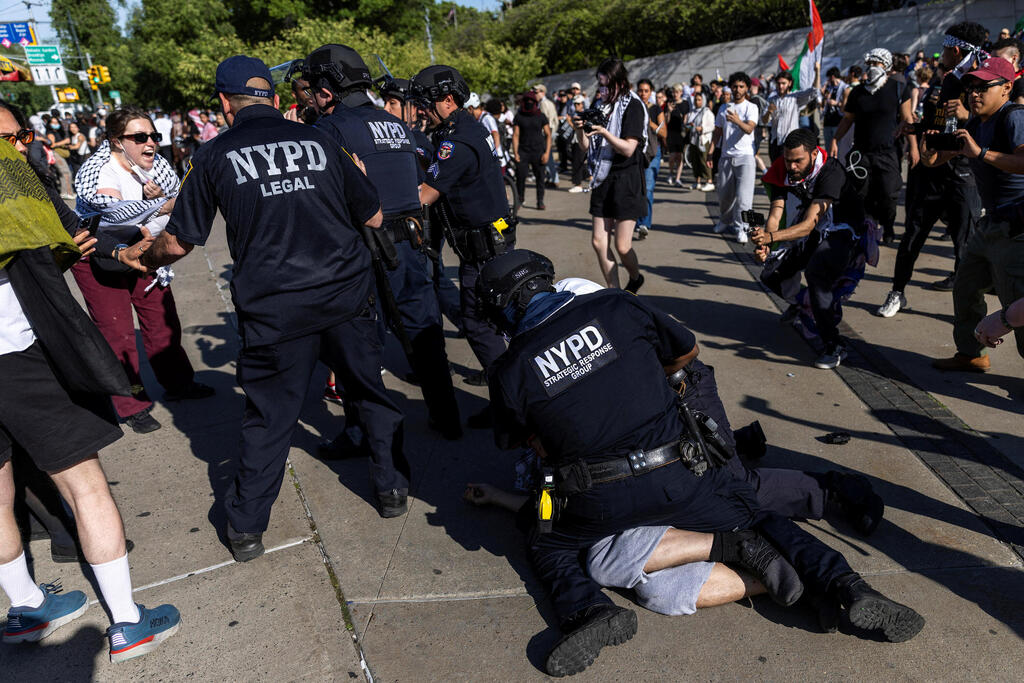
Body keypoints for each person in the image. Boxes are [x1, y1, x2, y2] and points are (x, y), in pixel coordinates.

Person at [479, 250, 924, 676]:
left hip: (600, 499)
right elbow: (686, 354)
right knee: (758, 517)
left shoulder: (510, 368)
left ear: (504, 308)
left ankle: (588, 611)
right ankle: (850, 586)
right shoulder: (616, 305)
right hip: (679, 474)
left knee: (548, 543)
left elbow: (518, 439)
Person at [121, 55, 411, 542]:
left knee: (270, 418)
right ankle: (392, 489)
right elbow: (374, 216)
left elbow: (179, 240)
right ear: (275, 98)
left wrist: (143, 257)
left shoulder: (212, 156)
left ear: (223, 103)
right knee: (370, 394)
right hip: (344, 294)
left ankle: (246, 528)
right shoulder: (322, 138)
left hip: (274, 309)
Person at [0, 126, 180, 661]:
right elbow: (65, 230)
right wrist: (119, 251)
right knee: (86, 486)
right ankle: (127, 623)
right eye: (10, 136)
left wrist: (113, 251)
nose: (17, 147)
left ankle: (26, 606)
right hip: (14, 352)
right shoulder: (10, 179)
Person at [301, 43, 462, 442]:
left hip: (363, 251)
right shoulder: (394, 124)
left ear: (326, 90)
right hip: (411, 244)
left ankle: (366, 436)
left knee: (361, 351)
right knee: (426, 337)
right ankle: (446, 416)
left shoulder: (329, 128)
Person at [72, 106, 213, 434]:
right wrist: (159, 203)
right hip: (98, 254)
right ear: (115, 142)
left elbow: (178, 197)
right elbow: (111, 213)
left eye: (153, 136)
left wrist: (164, 199)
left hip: (143, 247)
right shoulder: (97, 170)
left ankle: (178, 384)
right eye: (139, 137)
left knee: (162, 322)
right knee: (117, 332)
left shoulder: (157, 165)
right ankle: (132, 402)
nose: (150, 143)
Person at [409, 64, 513, 415]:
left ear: (448, 101)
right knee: (494, 323)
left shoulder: (456, 141)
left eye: (425, 103)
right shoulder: (465, 127)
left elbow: (425, 194)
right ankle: (508, 396)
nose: (421, 110)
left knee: (477, 324)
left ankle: (510, 403)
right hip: (489, 243)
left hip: (484, 250)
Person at [876, 22, 988, 317]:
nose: (940, 56)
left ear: (954, 49)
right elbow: (940, 122)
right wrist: (915, 126)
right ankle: (897, 292)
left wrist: (968, 114)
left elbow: (994, 121)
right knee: (912, 234)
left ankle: (966, 309)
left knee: (965, 245)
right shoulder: (950, 81)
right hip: (931, 172)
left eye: (944, 50)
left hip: (964, 174)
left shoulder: (985, 78)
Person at [923, 57, 1024, 372]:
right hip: (991, 223)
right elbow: (936, 160)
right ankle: (972, 353)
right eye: (970, 87)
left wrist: (981, 152)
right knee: (965, 285)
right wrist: (926, 146)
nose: (974, 93)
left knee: (1016, 304)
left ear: (1006, 88)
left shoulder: (1015, 117)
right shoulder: (976, 123)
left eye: (983, 86)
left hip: (1018, 227)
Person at [752, 128, 867, 369]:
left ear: (814, 154)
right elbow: (776, 212)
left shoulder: (831, 171)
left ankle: (834, 345)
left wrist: (771, 237)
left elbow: (807, 225)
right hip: (813, 230)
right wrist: (765, 242)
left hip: (842, 228)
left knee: (817, 272)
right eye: (788, 160)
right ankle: (803, 305)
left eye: (798, 161)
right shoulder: (783, 167)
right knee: (770, 273)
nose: (792, 166)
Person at [573, 58, 648, 292]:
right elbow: (586, 147)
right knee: (598, 241)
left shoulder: (633, 106)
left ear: (620, 83)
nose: (602, 91)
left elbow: (628, 148)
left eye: (606, 86)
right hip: (601, 176)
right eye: (600, 86)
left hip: (626, 179)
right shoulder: (601, 105)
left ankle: (635, 278)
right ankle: (615, 292)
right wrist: (579, 130)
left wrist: (604, 132)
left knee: (623, 246)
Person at [830, 48, 917, 246]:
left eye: (877, 63)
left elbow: (907, 119)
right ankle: (869, 226)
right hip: (861, 153)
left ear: (886, 66)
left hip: (887, 152)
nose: (873, 67)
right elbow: (847, 119)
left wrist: (913, 147)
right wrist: (835, 139)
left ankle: (888, 224)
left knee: (888, 193)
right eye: (870, 63)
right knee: (861, 192)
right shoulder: (857, 92)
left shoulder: (898, 88)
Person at [709, 71, 759, 244]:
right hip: (726, 157)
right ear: (730, 87)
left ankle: (742, 228)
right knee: (724, 196)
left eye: (741, 87)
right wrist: (710, 151)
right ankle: (725, 220)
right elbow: (717, 132)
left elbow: (750, 129)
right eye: (735, 86)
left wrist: (737, 121)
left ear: (746, 89)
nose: (737, 90)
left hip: (745, 157)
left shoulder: (751, 107)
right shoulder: (723, 108)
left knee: (744, 199)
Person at [513, 92, 551, 210]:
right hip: (523, 151)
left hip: (538, 151)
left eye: (532, 101)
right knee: (520, 177)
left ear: (535, 103)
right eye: (527, 101)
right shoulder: (519, 116)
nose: (529, 103)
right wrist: (516, 153)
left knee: (540, 178)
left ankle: (540, 201)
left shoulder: (541, 116)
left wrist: (547, 153)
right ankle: (520, 199)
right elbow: (515, 135)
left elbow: (548, 135)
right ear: (523, 102)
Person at [636, 78, 664, 239]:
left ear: (651, 92)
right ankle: (636, 220)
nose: (643, 94)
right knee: (636, 189)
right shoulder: (633, 108)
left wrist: (651, 124)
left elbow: (664, 133)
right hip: (636, 152)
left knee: (648, 189)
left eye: (646, 91)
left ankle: (644, 223)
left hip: (653, 153)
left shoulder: (656, 109)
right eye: (641, 90)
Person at [532, 84, 560, 187]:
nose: (535, 94)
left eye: (536, 92)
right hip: (550, 132)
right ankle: (552, 178)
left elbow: (544, 121)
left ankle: (554, 178)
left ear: (542, 92)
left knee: (547, 156)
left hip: (546, 133)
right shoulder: (547, 103)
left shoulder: (544, 104)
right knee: (548, 156)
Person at [685, 92, 714, 191]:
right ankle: (697, 181)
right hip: (693, 140)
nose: (697, 102)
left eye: (699, 100)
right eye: (696, 100)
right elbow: (688, 124)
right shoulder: (692, 112)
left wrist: (702, 128)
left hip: (703, 140)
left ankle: (709, 181)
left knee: (704, 160)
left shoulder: (707, 112)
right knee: (695, 161)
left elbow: (712, 126)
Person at [822, 67, 848, 149]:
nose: (828, 80)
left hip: (838, 120)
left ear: (832, 76)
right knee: (828, 145)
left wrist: (836, 103)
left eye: (829, 78)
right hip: (828, 120)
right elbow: (823, 101)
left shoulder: (845, 87)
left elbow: (846, 105)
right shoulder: (829, 88)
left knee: (838, 146)